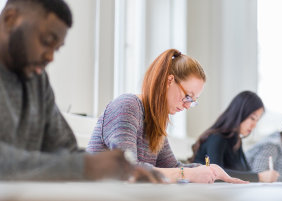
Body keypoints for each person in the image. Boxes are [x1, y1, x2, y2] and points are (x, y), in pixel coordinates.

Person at [0, 0, 162, 182]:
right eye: (46, 42)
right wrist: (86, 167)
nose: (50, 57)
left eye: (57, 49)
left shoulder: (37, 79)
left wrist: (123, 169)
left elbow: (65, 149)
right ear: (10, 18)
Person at [87, 49, 248, 184]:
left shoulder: (156, 120)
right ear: (169, 81)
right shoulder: (126, 106)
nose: (187, 105)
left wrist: (211, 169)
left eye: (192, 101)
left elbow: (172, 167)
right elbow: (127, 170)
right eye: (187, 96)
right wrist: (187, 174)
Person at [189, 91, 279, 182]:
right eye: (252, 118)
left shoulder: (236, 141)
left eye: (257, 121)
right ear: (239, 113)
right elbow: (216, 174)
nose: (254, 125)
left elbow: (246, 171)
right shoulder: (217, 138)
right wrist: (259, 177)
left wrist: (260, 176)